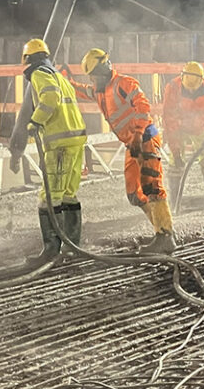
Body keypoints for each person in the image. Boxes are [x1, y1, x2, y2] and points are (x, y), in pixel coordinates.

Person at [71, 48, 176, 254]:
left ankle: (166, 236)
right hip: (133, 144)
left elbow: (143, 107)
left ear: (102, 70)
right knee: (134, 194)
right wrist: (63, 81)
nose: (92, 80)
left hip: (145, 138)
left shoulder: (124, 83)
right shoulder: (100, 91)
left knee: (152, 186)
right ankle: (160, 231)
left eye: (93, 76)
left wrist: (137, 134)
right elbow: (81, 90)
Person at [20, 38, 88, 262]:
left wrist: (36, 121)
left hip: (59, 143)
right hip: (76, 139)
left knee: (48, 197)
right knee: (68, 194)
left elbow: (50, 99)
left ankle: (51, 250)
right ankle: (72, 246)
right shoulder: (58, 75)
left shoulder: (40, 74)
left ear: (28, 59)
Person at [162, 61, 204, 209]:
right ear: (182, 77)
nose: (190, 91)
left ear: (202, 80)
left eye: (193, 89)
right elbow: (169, 120)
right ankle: (174, 205)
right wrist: (176, 152)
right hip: (178, 128)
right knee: (174, 164)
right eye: (187, 89)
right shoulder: (172, 87)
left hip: (201, 128)